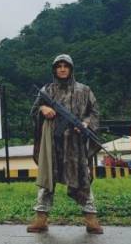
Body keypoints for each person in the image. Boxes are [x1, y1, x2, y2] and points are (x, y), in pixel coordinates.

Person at [27, 54, 103, 234]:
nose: (62, 69)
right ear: (54, 69)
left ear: (71, 69)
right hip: (51, 143)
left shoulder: (84, 90)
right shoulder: (47, 90)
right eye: (58, 66)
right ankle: (41, 219)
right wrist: (43, 108)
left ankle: (91, 219)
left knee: (83, 179)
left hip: (75, 144)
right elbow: (34, 110)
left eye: (65, 66)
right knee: (47, 179)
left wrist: (85, 124)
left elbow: (95, 113)